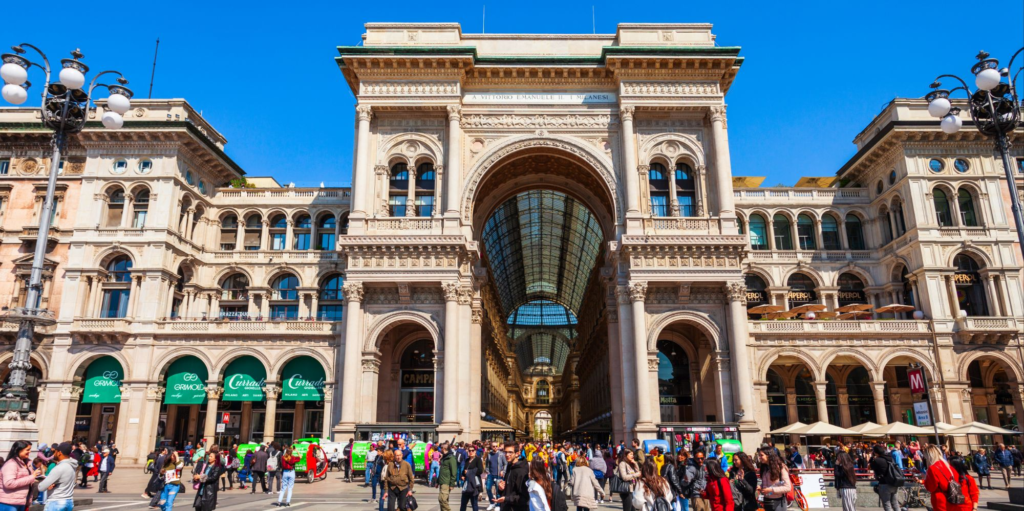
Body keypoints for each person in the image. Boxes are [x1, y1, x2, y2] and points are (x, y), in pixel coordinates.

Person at [923, 445, 974, 511]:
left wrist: (925, 481)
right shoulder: (947, 465)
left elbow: (931, 487)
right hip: (952, 497)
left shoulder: (932, 468)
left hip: (940, 499)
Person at [37, 442, 77, 511]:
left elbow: (41, 487)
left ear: (59, 453)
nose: (54, 454)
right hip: (69, 501)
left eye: (55, 452)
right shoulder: (72, 465)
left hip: (56, 502)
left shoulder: (59, 468)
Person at [497, 443, 530, 511]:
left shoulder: (522, 471)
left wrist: (506, 499)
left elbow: (524, 497)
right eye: (505, 452)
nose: (507, 455)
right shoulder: (510, 466)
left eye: (510, 452)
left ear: (517, 453)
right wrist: (501, 488)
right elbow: (509, 489)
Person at [870, 443, 900, 511]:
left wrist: (873, 458)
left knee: (887, 504)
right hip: (894, 482)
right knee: (895, 504)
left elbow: (870, 467)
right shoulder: (890, 458)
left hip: (884, 484)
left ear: (876, 452)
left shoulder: (877, 460)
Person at [462, 445, 485, 511]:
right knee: (463, 503)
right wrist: (463, 475)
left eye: (472, 450)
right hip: (467, 484)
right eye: (469, 451)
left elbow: (480, 471)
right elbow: (464, 470)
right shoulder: (467, 460)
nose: (471, 452)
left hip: (474, 484)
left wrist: (469, 472)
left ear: (475, 452)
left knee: (474, 503)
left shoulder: (478, 460)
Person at [486, 442, 507, 510]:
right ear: (491, 447)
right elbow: (487, 464)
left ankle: (498, 504)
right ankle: (492, 503)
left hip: (498, 475)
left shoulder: (501, 454)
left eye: (496, 446)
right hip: (490, 474)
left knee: (498, 491)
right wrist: (488, 471)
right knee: (488, 488)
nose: (495, 447)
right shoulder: (489, 454)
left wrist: (503, 471)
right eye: (493, 446)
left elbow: (505, 464)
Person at [439, 443, 459, 511]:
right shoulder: (444, 457)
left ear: (444, 449)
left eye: (441, 448)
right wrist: (437, 481)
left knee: (442, 499)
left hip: (446, 481)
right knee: (443, 500)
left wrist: (452, 483)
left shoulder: (451, 458)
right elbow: (441, 470)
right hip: (442, 481)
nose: (440, 449)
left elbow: (454, 472)